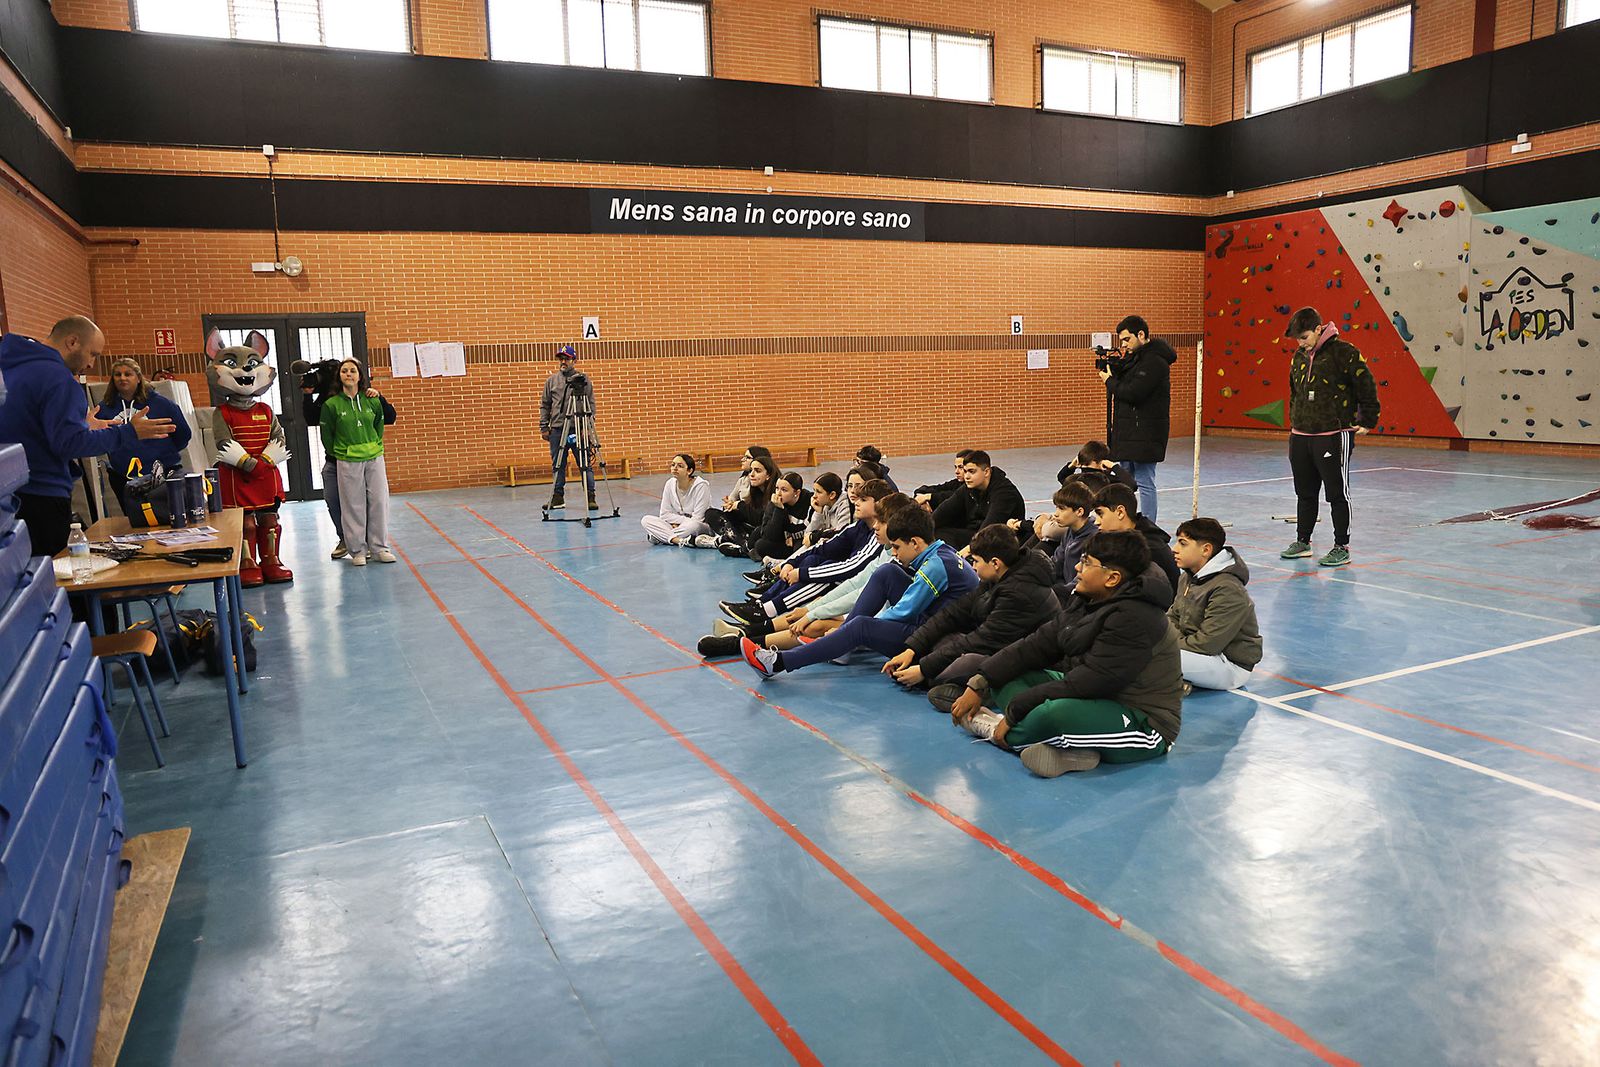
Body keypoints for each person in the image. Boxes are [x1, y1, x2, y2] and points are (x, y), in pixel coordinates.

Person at [945, 530, 1183, 778]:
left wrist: (1014, 713)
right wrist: (980, 681)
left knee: (1052, 714)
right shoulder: (1088, 598)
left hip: (1142, 721)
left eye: (1086, 562)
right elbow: (1037, 644)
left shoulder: (1136, 617)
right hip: (1093, 698)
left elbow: (1090, 681)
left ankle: (997, 731)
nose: (1077, 567)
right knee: (1005, 678)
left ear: (1112, 578)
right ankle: (1074, 750)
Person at [0, 316, 174, 557]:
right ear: (72, 342)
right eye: (92, 354)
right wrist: (129, 432)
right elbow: (69, 444)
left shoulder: (10, 368)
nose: (91, 364)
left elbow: (27, 425)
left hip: (8, 495)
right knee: (55, 572)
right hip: (41, 496)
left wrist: (81, 426)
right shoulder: (58, 380)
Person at [740, 503, 976, 678]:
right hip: (934, 622)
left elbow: (905, 611)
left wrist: (850, 631)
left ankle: (778, 663)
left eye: (896, 547)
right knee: (887, 572)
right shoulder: (941, 551)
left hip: (932, 640)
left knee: (861, 626)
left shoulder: (934, 566)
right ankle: (843, 646)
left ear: (915, 542)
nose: (894, 553)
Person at [885, 524, 1058, 692]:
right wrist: (912, 649)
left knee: (968, 663)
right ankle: (956, 686)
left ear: (995, 563)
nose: (973, 567)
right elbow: (953, 613)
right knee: (946, 640)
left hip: (1030, 664)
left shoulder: (1019, 594)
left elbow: (981, 640)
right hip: (999, 648)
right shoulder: (999, 578)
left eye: (975, 561)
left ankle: (973, 690)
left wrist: (924, 669)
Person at [1281, 306, 1381, 567]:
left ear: (1318, 329)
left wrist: (1368, 419)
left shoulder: (1344, 352)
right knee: (1304, 492)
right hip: (1300, 434)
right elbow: (1294, 392)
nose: (1301, 344)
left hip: (1333, 434)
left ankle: (1341, 546)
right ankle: (1303, 541)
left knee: (1337, 492)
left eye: (1304, 337)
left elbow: (1366, 385)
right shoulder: (1299, 357)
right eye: (1297, 339)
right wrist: (1295, 421)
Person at [300, 357, 395, 559]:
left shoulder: (370, 398)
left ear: (360, 375)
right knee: (339, 502)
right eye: (343, 371)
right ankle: (351, 543)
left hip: (369, 456)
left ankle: (377, 546)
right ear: (338, 376)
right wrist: (307, 395)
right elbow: (316, 423)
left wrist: (379, 397)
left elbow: (384, 420)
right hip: (338, 460)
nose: (348, 374)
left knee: (377, 501)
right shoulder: (329, 401)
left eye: (353, 371)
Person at [1168, 518, 1262, 693]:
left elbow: (1207, 644)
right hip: (1194, 652)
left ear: (1206, 549)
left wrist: (1168, 642)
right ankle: (1175, 680)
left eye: (1183, 543)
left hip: (1229, 665)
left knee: (1150, 654)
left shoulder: (1227, 588)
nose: (1174, 549)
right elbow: (1171, 617)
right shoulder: (1187, 577)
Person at [1098, 315, 1176, 520]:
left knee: (1144, 481)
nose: (1124, 345)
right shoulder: (1136, 358)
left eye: (1127, 339)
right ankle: (1123, 520)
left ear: (1141, 335)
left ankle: (1149, 525)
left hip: (1146, 433)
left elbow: (1133, 392)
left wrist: (1109, 381)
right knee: (1124, 481)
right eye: (1121, 341)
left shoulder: (1155, 362)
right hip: (1128, 432)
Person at [94, 356, 192, 508]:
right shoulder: (105, 408)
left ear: (138, 378)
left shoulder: (162, 404)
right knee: (134, 519)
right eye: (118, 374)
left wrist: (161, 453)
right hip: (123, 476)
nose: (122, 378)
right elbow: (99, 438)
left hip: (162, 473)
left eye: (128, 374)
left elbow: (183, 435)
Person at [538, 344, 598, 511]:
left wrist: (588, 427)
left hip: (578, 427)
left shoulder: (583, 380)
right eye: (561, 359)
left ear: (574, 360)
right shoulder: (551, 381)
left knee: (585, 464)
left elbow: (591, 404)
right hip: (558, 429)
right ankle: (557, 498)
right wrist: (544, 426)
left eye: (567, 359)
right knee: (558, 465)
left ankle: (590, 497)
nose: (563, 362)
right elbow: (545, 405)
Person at [1091, 482, 1178, 594]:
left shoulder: (1148, 549)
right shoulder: (1128, 540)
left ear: (1120, 512)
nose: (1097, 522)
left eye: (1100, 514)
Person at [931, 450, 1025, 550]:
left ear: (986, 472)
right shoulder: (969, 487)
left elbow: (989, 527)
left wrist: (963, 553)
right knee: (938, 532)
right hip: (976, 533)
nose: (966, 476)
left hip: (1001, 541)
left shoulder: (1004, 492)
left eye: (972, 471)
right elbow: (945, 510)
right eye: (965, 471)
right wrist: (922, 530)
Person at [642, 452, 712, 545]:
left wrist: (678, 524)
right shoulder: (669, 484)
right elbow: (664, 515)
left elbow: (698, 519)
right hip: (677, 526)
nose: (675, 468)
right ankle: (679, 540)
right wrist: (678, 523)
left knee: (693, 526)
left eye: (680, 466)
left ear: (689, 471)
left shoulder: (701, 486)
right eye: (673, 465)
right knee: (646, 520)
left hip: (698, 526)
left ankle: (661, 537)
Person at [750, 472, 811, 564]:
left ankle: (784, 562)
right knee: (760, 543)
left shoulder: (809, 500)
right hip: (785, 541)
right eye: (777, 488)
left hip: (803, 540)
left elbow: (816, 526)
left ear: (797, 492)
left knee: (800, 548)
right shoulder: (774, 503)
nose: (778, 493)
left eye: (784, 490)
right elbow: (769, 536)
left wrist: (794, 538)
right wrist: (779, 509)